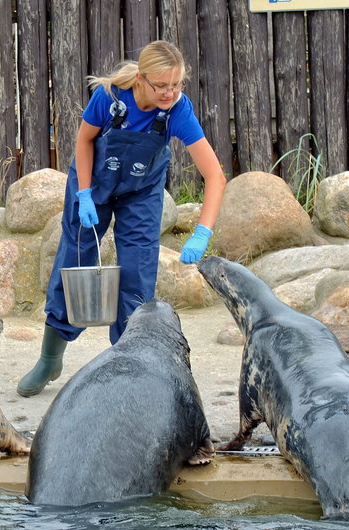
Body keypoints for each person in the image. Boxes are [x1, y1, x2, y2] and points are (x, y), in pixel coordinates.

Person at [17, 40, 227, 397]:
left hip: (142, 191)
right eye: (161, 86)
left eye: (176, 85)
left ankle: (129, 366)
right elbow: (84, 142)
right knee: (77, 259)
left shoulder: (178, 110)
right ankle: (51, 357)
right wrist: (83, 193)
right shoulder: (110, 97)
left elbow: (215, 175)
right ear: (142, 80)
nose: (170, 93)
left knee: (137, 275)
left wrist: (203, 231)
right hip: (94, 182)